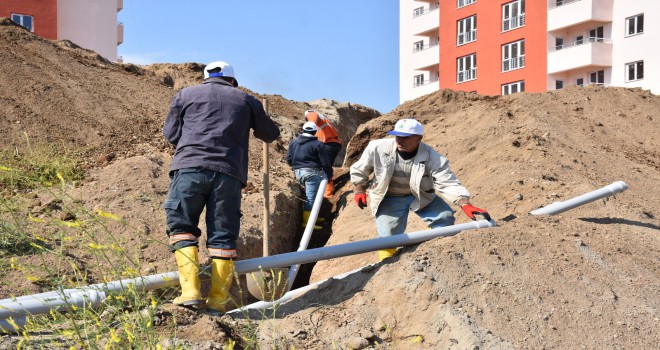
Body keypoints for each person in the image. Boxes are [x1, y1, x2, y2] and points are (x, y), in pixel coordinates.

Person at [162, 61, 280, 313]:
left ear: (205, 78)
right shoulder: (246, 100)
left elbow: (171, 135)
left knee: (182, 227)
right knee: (223, 236)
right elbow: (270, 134)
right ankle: (217, 302)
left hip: (189, 168)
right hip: (229, 174)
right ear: (232, 80)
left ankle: (190, 292)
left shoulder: (185, 95)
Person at [349, 118, 490, 262]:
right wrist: (359, 189)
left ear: (419, 138)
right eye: (398, 136)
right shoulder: (378, 148)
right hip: (390, 196)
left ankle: (429, 249)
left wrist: (464, 203)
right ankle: (386, 264)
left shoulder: (432, 156)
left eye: (406, 137)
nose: (400, 140)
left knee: (445, 218)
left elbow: (446, 180)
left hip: (420, 195)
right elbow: (361, 168)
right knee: (387, 237)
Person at [285, 121, 333, 230]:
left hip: (298, 173)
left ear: (303, 130)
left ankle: (313, 217)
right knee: (311, 198)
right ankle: (307, 223)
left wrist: (296, 166)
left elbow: (288, 158)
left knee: (311, 196)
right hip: (312, 174)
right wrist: (329, 174)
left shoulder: (293, 142)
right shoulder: (318, 144)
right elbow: (325, 162)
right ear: (315, 131)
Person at [305, 110, 342, 198]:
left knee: (323, 168)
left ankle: (327, 194)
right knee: (326, 167)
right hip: (335, 144)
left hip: (328, 144)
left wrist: (309, 128)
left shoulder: (311, 114)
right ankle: (325, 189)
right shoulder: (324, 120)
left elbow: (313, 117)